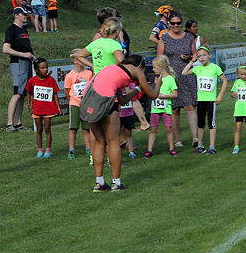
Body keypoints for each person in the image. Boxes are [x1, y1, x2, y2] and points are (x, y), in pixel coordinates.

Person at [86, 55, 161, 190]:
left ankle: (99, 183)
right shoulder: (137, 71)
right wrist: (158, 84)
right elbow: (153, 95)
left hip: (88, 100)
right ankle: (116, 183)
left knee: (99, 141)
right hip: (106, 101)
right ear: (140, 66)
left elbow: (122, 100)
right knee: (113, 141)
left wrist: (138, 89)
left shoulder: (114, 69)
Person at [157, 10, 198, 148]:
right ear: (169, 23)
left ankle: (195, 137)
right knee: (174, 109)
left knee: (190, 106)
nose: (176, 26)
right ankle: (177, 140)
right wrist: (162, 77)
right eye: (173, 23)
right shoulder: (164, 39)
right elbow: (159, 60)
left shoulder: (188, 37)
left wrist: (189, 58)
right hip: (171, 77)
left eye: (178, 23)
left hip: (186, 75)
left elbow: (195, 56)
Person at [183, 46, 227, 153]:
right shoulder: (198, 68)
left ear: (209, 56)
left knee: (211, 124)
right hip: (201, 100)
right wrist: (192, 60)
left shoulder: (215, 68)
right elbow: (184, 73)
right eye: (199, 56)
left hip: (211, 101)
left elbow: (225, 81)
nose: (202, 58)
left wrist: (220, 95)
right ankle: (200, 146)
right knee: (200, 123)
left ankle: (212, 147)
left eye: (204, 55)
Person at [3, 6, 34, 133]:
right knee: (17, 93)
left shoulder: (24, 31)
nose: (25, 16)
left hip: (27, 63)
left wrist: (32, 56)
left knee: (22, 94)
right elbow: (5, 49)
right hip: (18, 64)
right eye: (23, 14)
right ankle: (9, 124)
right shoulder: (12, 30)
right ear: (16, 15)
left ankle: (18, 122)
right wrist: (23, 55)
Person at [145, 55, 178, 158]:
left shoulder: (170, 79)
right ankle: (149, 150)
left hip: (166, 107)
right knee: (153, 129)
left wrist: (165, 96)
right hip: (155, 108)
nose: (153, 69)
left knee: (168, 128)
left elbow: (175, 94)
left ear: (160, 67)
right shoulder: (154, 79)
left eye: (154, 67)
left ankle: (171, 148)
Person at [25, 58, 59, 158]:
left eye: (46, 67)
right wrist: (29, 104)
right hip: (37, 108)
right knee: (39, 129)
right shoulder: (32, 81)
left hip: (48, 108)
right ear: (36, 69)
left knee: (47, 128)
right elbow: (28, 92)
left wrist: (58, 105)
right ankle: (39, 150)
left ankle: (48, 150)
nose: (45, 70)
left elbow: (55, 93)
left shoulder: (51, 80)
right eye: (42, 68)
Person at [64, 49, 94, 160]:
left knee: (87, 128)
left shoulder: (89, 73)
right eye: (83, 59)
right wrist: (72, 100)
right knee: (73, 128)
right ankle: (71, 150)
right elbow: (67, 90)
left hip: (86, 104)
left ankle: (88, 148)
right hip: (74, 104)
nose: (85, 61)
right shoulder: (70, 76)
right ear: (75, 60)